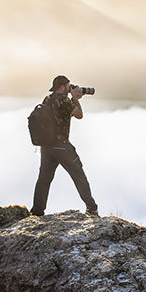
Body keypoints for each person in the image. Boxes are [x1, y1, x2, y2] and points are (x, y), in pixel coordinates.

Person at [30, 75, 99, 217]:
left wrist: (73, 98)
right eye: (68, 86)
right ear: (62, 87)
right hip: (61, 146)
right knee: (78, 175)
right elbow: (79, 115)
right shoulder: (64, 100)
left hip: (46, 147)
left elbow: (60, 115)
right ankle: (92, 208)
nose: (70, 88)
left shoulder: (48, 99)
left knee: (44, 178)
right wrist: (75, 98)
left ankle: (37, 211)